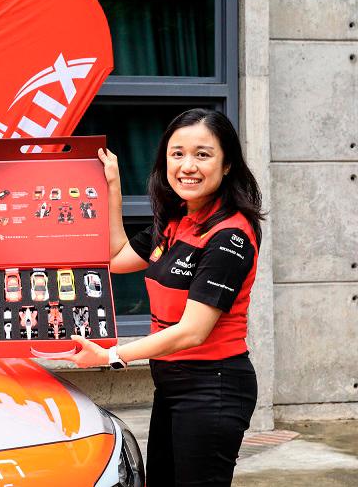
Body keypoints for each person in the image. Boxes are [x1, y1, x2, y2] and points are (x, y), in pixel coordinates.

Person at [61, 108, 263, 486]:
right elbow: (115, 258)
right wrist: (111, 186)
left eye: (203, 154)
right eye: (177, 153)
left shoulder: (230, 236)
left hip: (212, 388)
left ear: (227, 164)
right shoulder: (177, 221)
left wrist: (112, 355)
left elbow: (192, 332)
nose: (188, 165)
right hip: (173, 384)